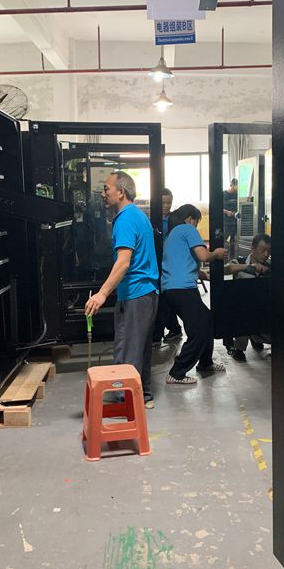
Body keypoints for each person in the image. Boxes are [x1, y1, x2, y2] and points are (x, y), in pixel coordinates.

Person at [85, 171, 159, 407]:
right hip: (145, 293)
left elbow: (123, 262)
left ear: (121, 192)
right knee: (139, 348)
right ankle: (141, 396)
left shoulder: (126, 219)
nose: (103, 193)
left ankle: (126, 402)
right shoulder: (135, 215)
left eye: (107, 188)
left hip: (136, 293)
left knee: (128, 349)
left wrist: (102, 293)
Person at [161, 204, 228, 384]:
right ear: (190, 218)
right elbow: (203, 256)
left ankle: (205, 363)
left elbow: (178, 261)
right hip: (183, 288)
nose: (196, 226)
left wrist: (199, 273)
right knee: (199, 330)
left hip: (171, 289)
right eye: (197, 222)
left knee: (206, 319)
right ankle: (177, 373)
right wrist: (217, 254)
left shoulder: (171, 235)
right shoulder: (187, 229)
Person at [224, 233, 271, 362]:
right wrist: (249, 267)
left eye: (268, 251)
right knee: (242, 310)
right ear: (253, 248)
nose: (266, 254)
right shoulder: (240, 262)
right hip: (242, 310)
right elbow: (226, 269)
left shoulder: (270, 267)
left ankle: (256, 338)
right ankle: (238, 348)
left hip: (261, 311)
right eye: (262, 250)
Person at [153, 187, 183, 343]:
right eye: (163, 202)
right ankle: (173, 328)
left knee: (164, 296)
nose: (166, 206)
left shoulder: (175, 220)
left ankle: (164, 331)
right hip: (157, 261)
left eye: (169, 202)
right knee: (163, 296)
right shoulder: (153, 219)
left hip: (170, 262)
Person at [223, 178, 239, 260]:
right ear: (231, 185)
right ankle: (223, 260)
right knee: (224, 241)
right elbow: (218, 208)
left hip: (235, 223)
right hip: (226, 223)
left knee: (233, 243)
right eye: (235, 187)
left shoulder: (237, 195)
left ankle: (232, 261)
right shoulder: (223, 194)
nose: (236, 189)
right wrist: (227, 212)